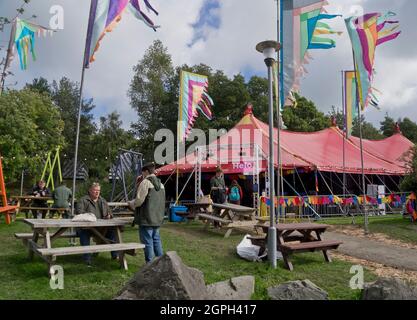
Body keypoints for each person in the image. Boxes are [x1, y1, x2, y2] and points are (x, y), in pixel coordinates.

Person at [128, 162, 165, 264]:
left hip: (146, 217)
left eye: (143, 172)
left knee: (147, 241)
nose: (142, 174)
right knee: (156, 240)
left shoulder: (145, 182)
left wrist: (131, 204)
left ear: (146, 171)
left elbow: (139, 201)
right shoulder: (161, 185)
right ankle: (161, 263)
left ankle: (149, 264)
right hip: (157, 217)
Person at [75, 182, 116, 266]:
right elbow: (79, 213)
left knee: (113, 231)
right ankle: (87, 258)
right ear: (90, 190)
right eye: (95, 190)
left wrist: (109, 215)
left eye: (98, 190)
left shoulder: (102, 200)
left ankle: (115, 255)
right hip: (86, 227)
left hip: (101, 228)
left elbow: (110, 213)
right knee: (84, 233)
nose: (97, 192)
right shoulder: (83, 200)